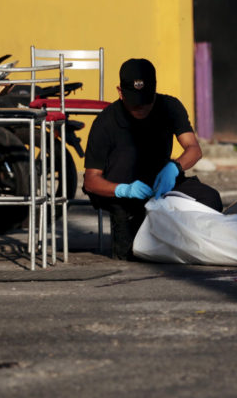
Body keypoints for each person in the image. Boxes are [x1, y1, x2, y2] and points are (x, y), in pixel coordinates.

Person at [83, 58, 222, 260]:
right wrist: (124, 190)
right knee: (130, 251)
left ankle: (182, 242)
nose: (141, 108)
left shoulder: (170, 107)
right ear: (120, 92)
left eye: (146, 101)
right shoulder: (105, 122)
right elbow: (91, 180)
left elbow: (193, 149)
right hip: (122, 192)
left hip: (160, 184)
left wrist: (174, 167)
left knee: (210, 200)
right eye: (134, 102)